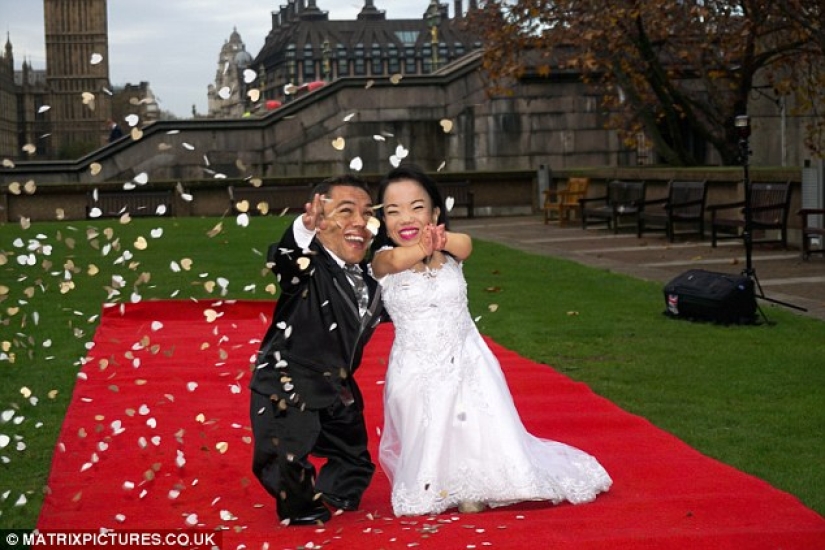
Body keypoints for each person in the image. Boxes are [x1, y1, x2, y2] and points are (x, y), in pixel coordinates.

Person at [370, 165, 612, 517]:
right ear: (382, 220)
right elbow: (396, 259)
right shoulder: (383, 260)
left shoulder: (451, 251)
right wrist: (420, 245)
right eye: (393, 211)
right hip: (416, 366)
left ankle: (477, 485)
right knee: (430, 426)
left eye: (416, 207)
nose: (405, 217)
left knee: (476, 426)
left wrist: (440, 240)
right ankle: (438, 486)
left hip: (467, 358)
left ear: (435, 212)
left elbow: (466, 245)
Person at [249, 175, 384, 526]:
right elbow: (287, 263)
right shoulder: (308, 266)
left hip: (337, 386)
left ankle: (336, 492)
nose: (360, 222)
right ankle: (302, 509)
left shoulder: (372, 280)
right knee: (285, 460)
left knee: (355, 459)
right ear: (319, 222)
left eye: (367, 214)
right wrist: (301, 231)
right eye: (345, 211)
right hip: (287, 381)